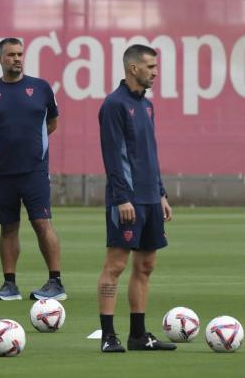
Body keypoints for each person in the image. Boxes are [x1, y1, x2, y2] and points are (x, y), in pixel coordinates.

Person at [0, 38, 66, 301]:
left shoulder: (41, 88)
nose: (17, 58)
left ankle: (56, 282)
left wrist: (31, 147)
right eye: (11, 54)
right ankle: (9, 284)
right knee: (8, 227)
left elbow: (53, 122)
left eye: (20, 54)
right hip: (2, 173)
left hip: (34, 171)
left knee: (41, 223)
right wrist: (3, 149)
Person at [97, 44, 176, 353]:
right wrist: (121, 197)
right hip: (126, 200)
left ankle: (138, 336)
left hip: (150, 199)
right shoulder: (114, 105)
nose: (155, 73)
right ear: (133, 69)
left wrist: (160, 193)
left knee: (145, 267)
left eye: (156, 67)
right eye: (151, 67)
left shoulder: (147, 106)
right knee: (115, 266)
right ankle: (108, 336)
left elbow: (150, 153)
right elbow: (112, 155)